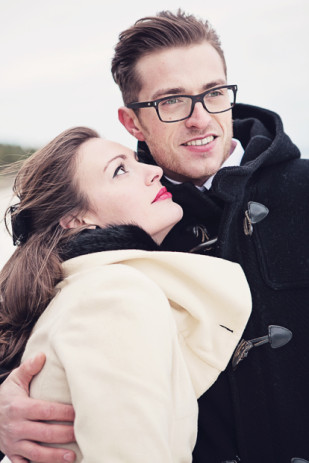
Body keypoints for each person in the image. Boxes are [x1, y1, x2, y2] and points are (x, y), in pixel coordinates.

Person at [1, 8, 309, 463]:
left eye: (214, 93)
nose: (200, 119)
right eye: (172, 101)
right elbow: (30, 322)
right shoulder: (125, 221)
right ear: (132, 122)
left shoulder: (304, 190)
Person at [0, 126, 251, 463]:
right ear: (75, 218)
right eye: (120, 170)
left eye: (136, 161)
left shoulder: (78, 290)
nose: (154, 171)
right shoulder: (113, 294)